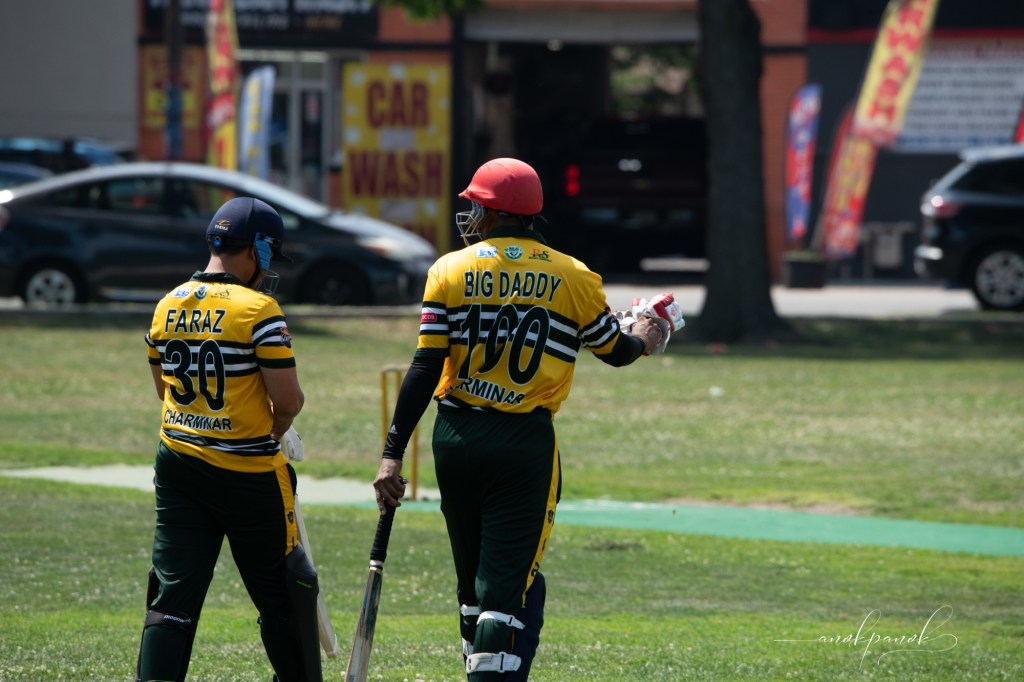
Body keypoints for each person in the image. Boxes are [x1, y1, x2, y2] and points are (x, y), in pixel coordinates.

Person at [373, 158, 667, 681]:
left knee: (472, 590)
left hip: (455, 437)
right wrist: (647, 334)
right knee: (507, 593)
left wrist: (392, 454)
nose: (470, 215)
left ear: (493, 211)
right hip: (522, 443)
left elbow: (425, 366)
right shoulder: (573, 274)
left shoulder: (449, 269)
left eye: (475, 205)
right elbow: (615, 352)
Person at [137, 197, 319, 682]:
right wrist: (278, 427)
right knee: (283, 593)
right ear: (258, 249)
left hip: (179, 463)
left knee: (171, 599)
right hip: (249, 476)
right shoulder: (259, 309)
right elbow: (289, 400)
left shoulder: (168, 303)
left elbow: (164, 391)